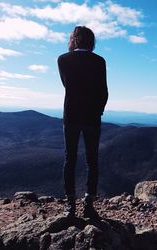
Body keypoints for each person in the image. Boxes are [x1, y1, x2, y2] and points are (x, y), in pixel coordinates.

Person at [57, 26, 108, 219]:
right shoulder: (99, 61)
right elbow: (103, 91)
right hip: (92, 117)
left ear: (73, 39)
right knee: (91, 160)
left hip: (70, 115)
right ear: (91, 40)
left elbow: (67, 84)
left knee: (70, 159)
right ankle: (88, 204)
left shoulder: (62, 60)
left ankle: (70, 205)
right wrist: (98, 112)